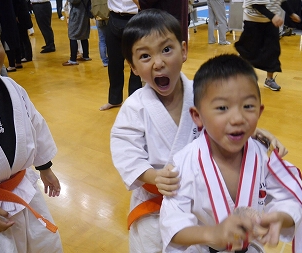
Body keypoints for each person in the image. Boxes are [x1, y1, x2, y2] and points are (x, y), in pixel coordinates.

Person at [111, 9, 289, 253]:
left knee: (216, 240)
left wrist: (254, 132)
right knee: (154, 243)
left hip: (205, 197)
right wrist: (154, 177)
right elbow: (125, 153)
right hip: (157, 200)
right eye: (145, 56)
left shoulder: (202, 92)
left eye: (166, 49)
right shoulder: (134, 108)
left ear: (183, 50)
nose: (159, 62)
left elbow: (228, 116)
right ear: (132, 67)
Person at [159, 54, 302, 253]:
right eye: (222, 107)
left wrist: (280, 217)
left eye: (248, 106)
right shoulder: (185, 163)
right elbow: (172, 223)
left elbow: (289, 196)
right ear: (197, 116)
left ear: (259, 111)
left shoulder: (262, 156)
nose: (238, 118)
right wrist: (212, 234)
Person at [0, 1, 63, 252]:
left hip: (26, 190)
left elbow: (35, 126)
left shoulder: (13, 89)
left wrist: (45, 168)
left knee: (45, 245)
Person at [234, 0, 301, 91]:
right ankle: (240, 73)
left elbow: (282, 1)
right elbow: (257, 5)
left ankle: (269, 79)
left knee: (273, 50)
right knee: (249, 50)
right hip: (253, 20)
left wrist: (291, 13)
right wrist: (272, 16)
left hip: (271, 22)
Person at [99, 0, 142, 111]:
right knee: (114, 63)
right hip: (114, 17)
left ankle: (134, 102)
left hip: (136, 17)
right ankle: (114, 99)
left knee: (136, 63)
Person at [62, 0, 91, 66]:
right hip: (85, 13)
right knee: (84, 35)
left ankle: (73, 59)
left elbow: (74, 1)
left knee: (72, 35)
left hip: (77, 14)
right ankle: (86, 55)